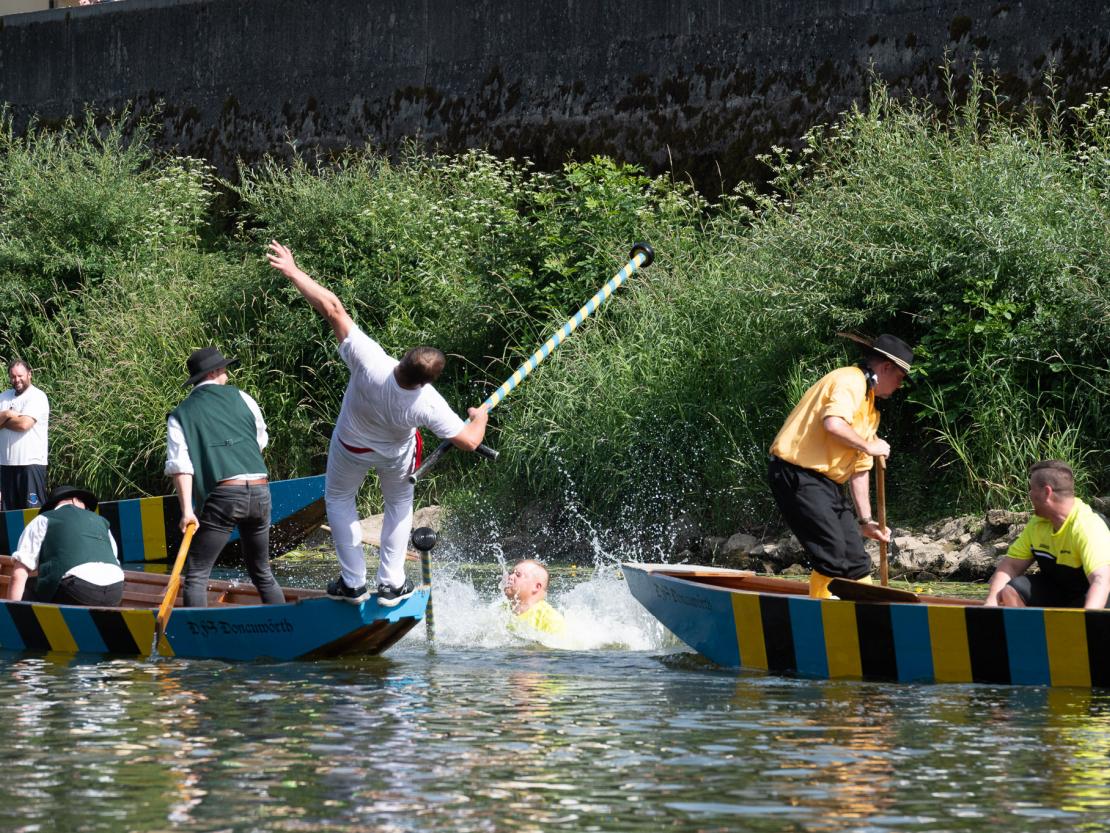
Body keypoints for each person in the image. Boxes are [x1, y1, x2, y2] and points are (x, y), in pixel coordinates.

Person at [266, 240, 489, 605]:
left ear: (400, 359)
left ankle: (353, 583)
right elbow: (468, 441)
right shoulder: (429, 402)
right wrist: (480, 418)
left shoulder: (371, 362)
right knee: (399, 508)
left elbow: (332, 308)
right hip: (395, 456)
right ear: (426, 381)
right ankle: (391, 584)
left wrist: (293, 271)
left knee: (339, 498)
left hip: (351, 446)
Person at [767, 333, 914, 598]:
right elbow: (833, 424)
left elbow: (859, 469)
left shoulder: (870, 410)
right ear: (886, 367)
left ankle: (867, 612)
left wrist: (866, 521)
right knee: (832, 553)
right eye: (900, 377)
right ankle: (821, 617)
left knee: (856, 559)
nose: (900, 385)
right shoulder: (850, 380)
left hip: (826, 484)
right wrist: (869, 445)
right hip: (796, 473)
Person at [166, 346, 285, 608]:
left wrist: (187, 511)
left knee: (196, 575)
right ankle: (285, 624)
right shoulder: (243, 397)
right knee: (262, 572)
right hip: (260, 489)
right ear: (216, 371)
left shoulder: (180, 415)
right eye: (225, 369)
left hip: (224, 496)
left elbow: (180, 466)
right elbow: (259, 440)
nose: (228, 375)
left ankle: (198, 644)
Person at [983, 460, 1110, 610]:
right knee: (1012, 590)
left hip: (1097, 599)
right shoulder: (1037, 524)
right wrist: (990, 603)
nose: (1029, 494)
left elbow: (1101, 580)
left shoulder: (1087, 526)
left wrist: (1087, 622)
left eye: (1031, 489)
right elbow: (1010, 566)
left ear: (1046, 492)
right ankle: (1029, 633)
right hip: (1059, 592)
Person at [7, 485, 125, 606]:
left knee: (27, 585)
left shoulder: (43, 519)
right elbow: (114, 560)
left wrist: (10, 614)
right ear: (75, 500)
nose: (86, 509)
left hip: (78, 590)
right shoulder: (102, 522)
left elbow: (18, 575)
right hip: (115, 591)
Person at [0, 359, 50, 511]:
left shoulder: (37, 396)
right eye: (13, 376)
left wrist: (3, 420)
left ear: (29, 374)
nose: (17, 380)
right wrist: (9, 414)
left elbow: (24, 424)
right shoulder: (3, 397)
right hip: (6, 465)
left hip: (31, 464)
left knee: (32, 514)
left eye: (20, 376)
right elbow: (20, 421)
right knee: (9, 516)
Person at [503, 559, 568, 639]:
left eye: (518, 575)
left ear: (536, 587)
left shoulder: (551, 620)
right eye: (511, 573)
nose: (510, 577)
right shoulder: (501, 611)